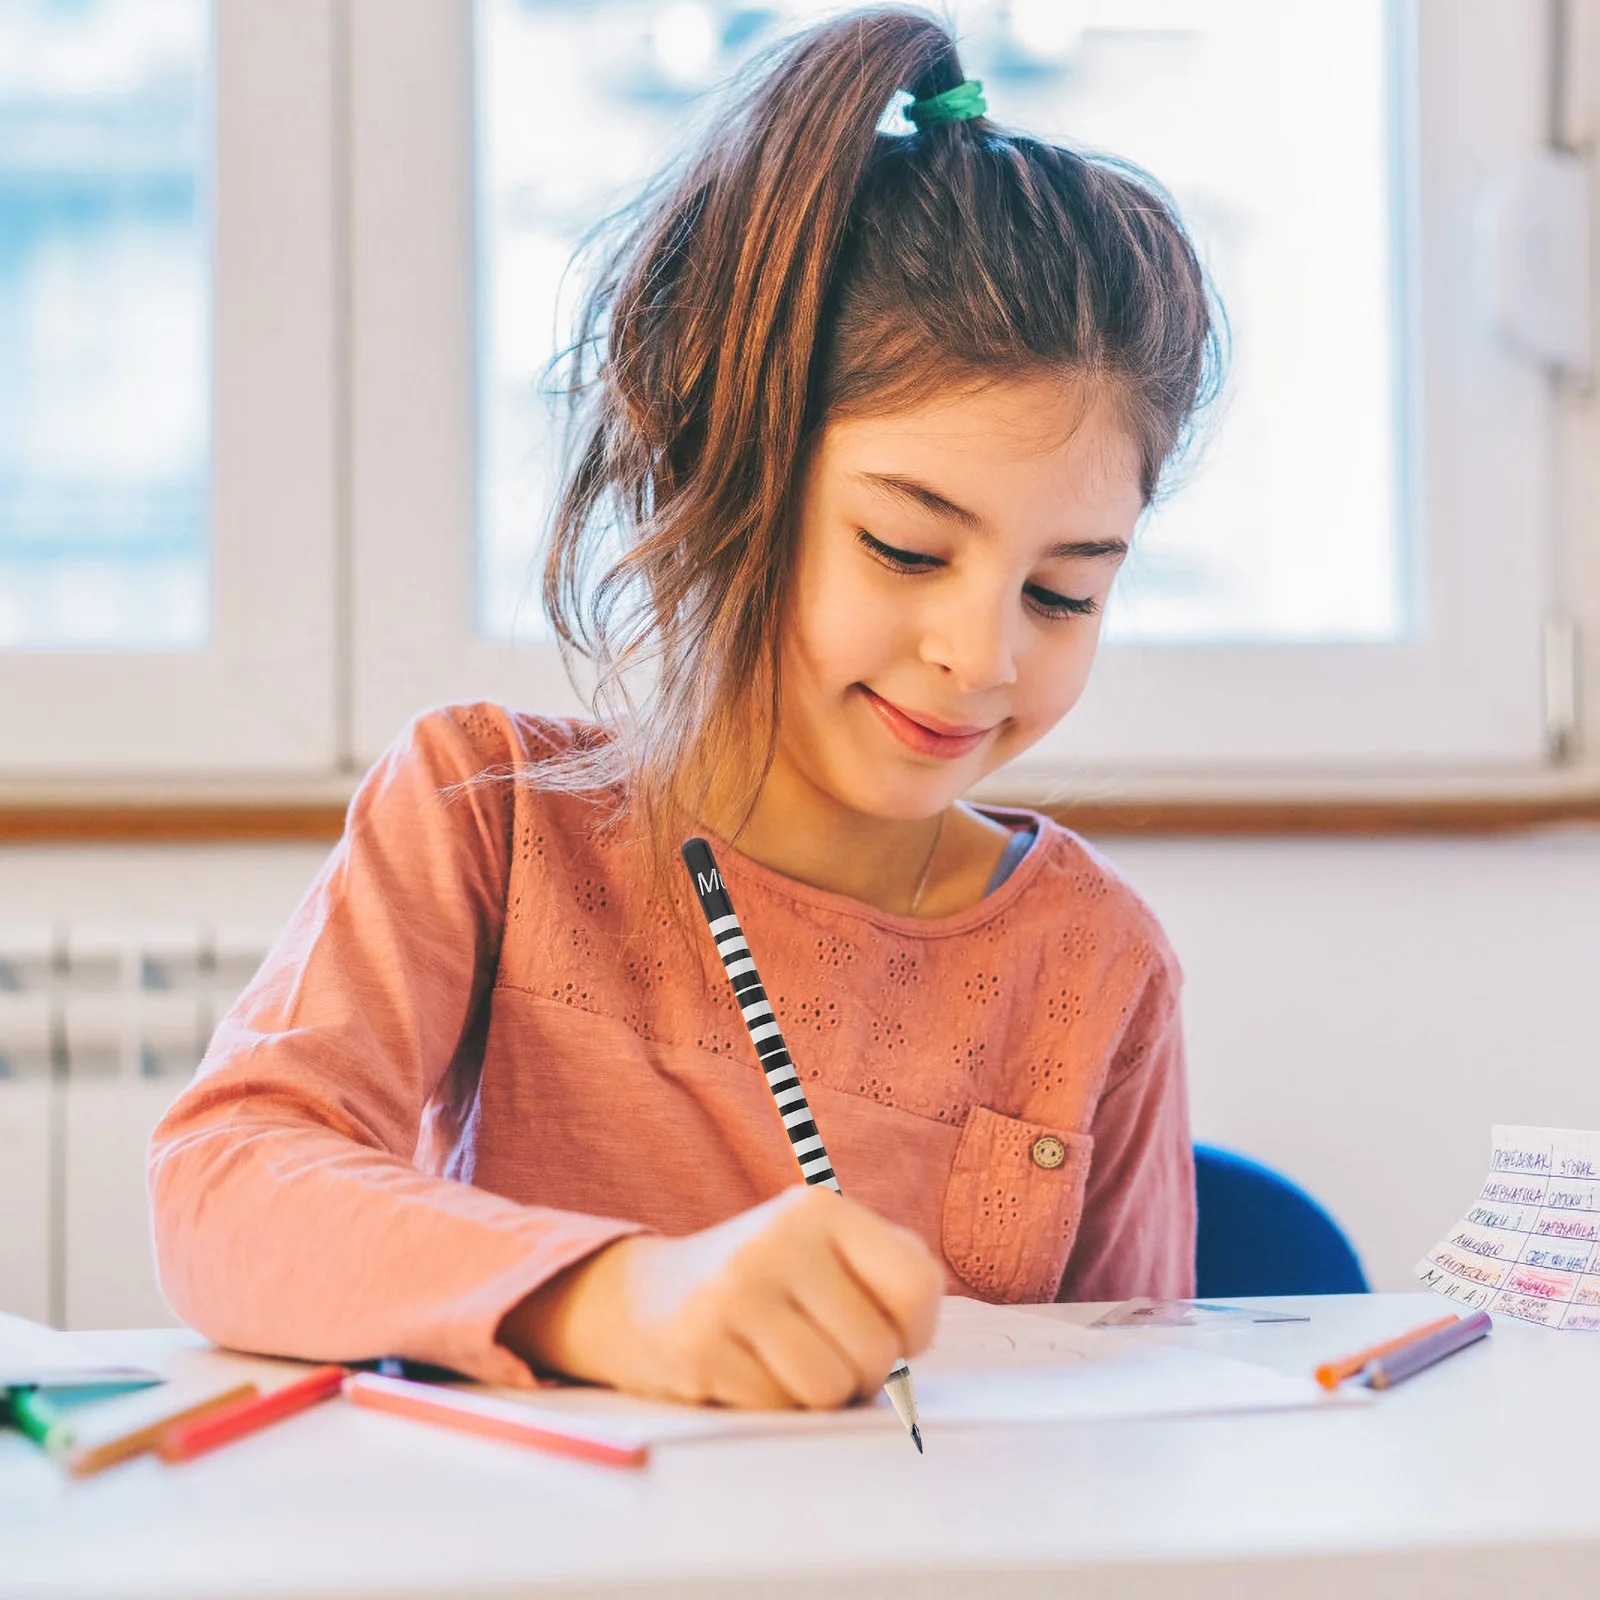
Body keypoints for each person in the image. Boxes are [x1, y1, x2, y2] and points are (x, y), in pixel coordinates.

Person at [149, 5, 1221, 1413]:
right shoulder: (487, 820)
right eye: (905, 549)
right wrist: (618, 1294)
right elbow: (227, 1185)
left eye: (1067, 592)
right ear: (721, 470)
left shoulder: (1097, 967)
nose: (982, 656)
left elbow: (1141, 1428)